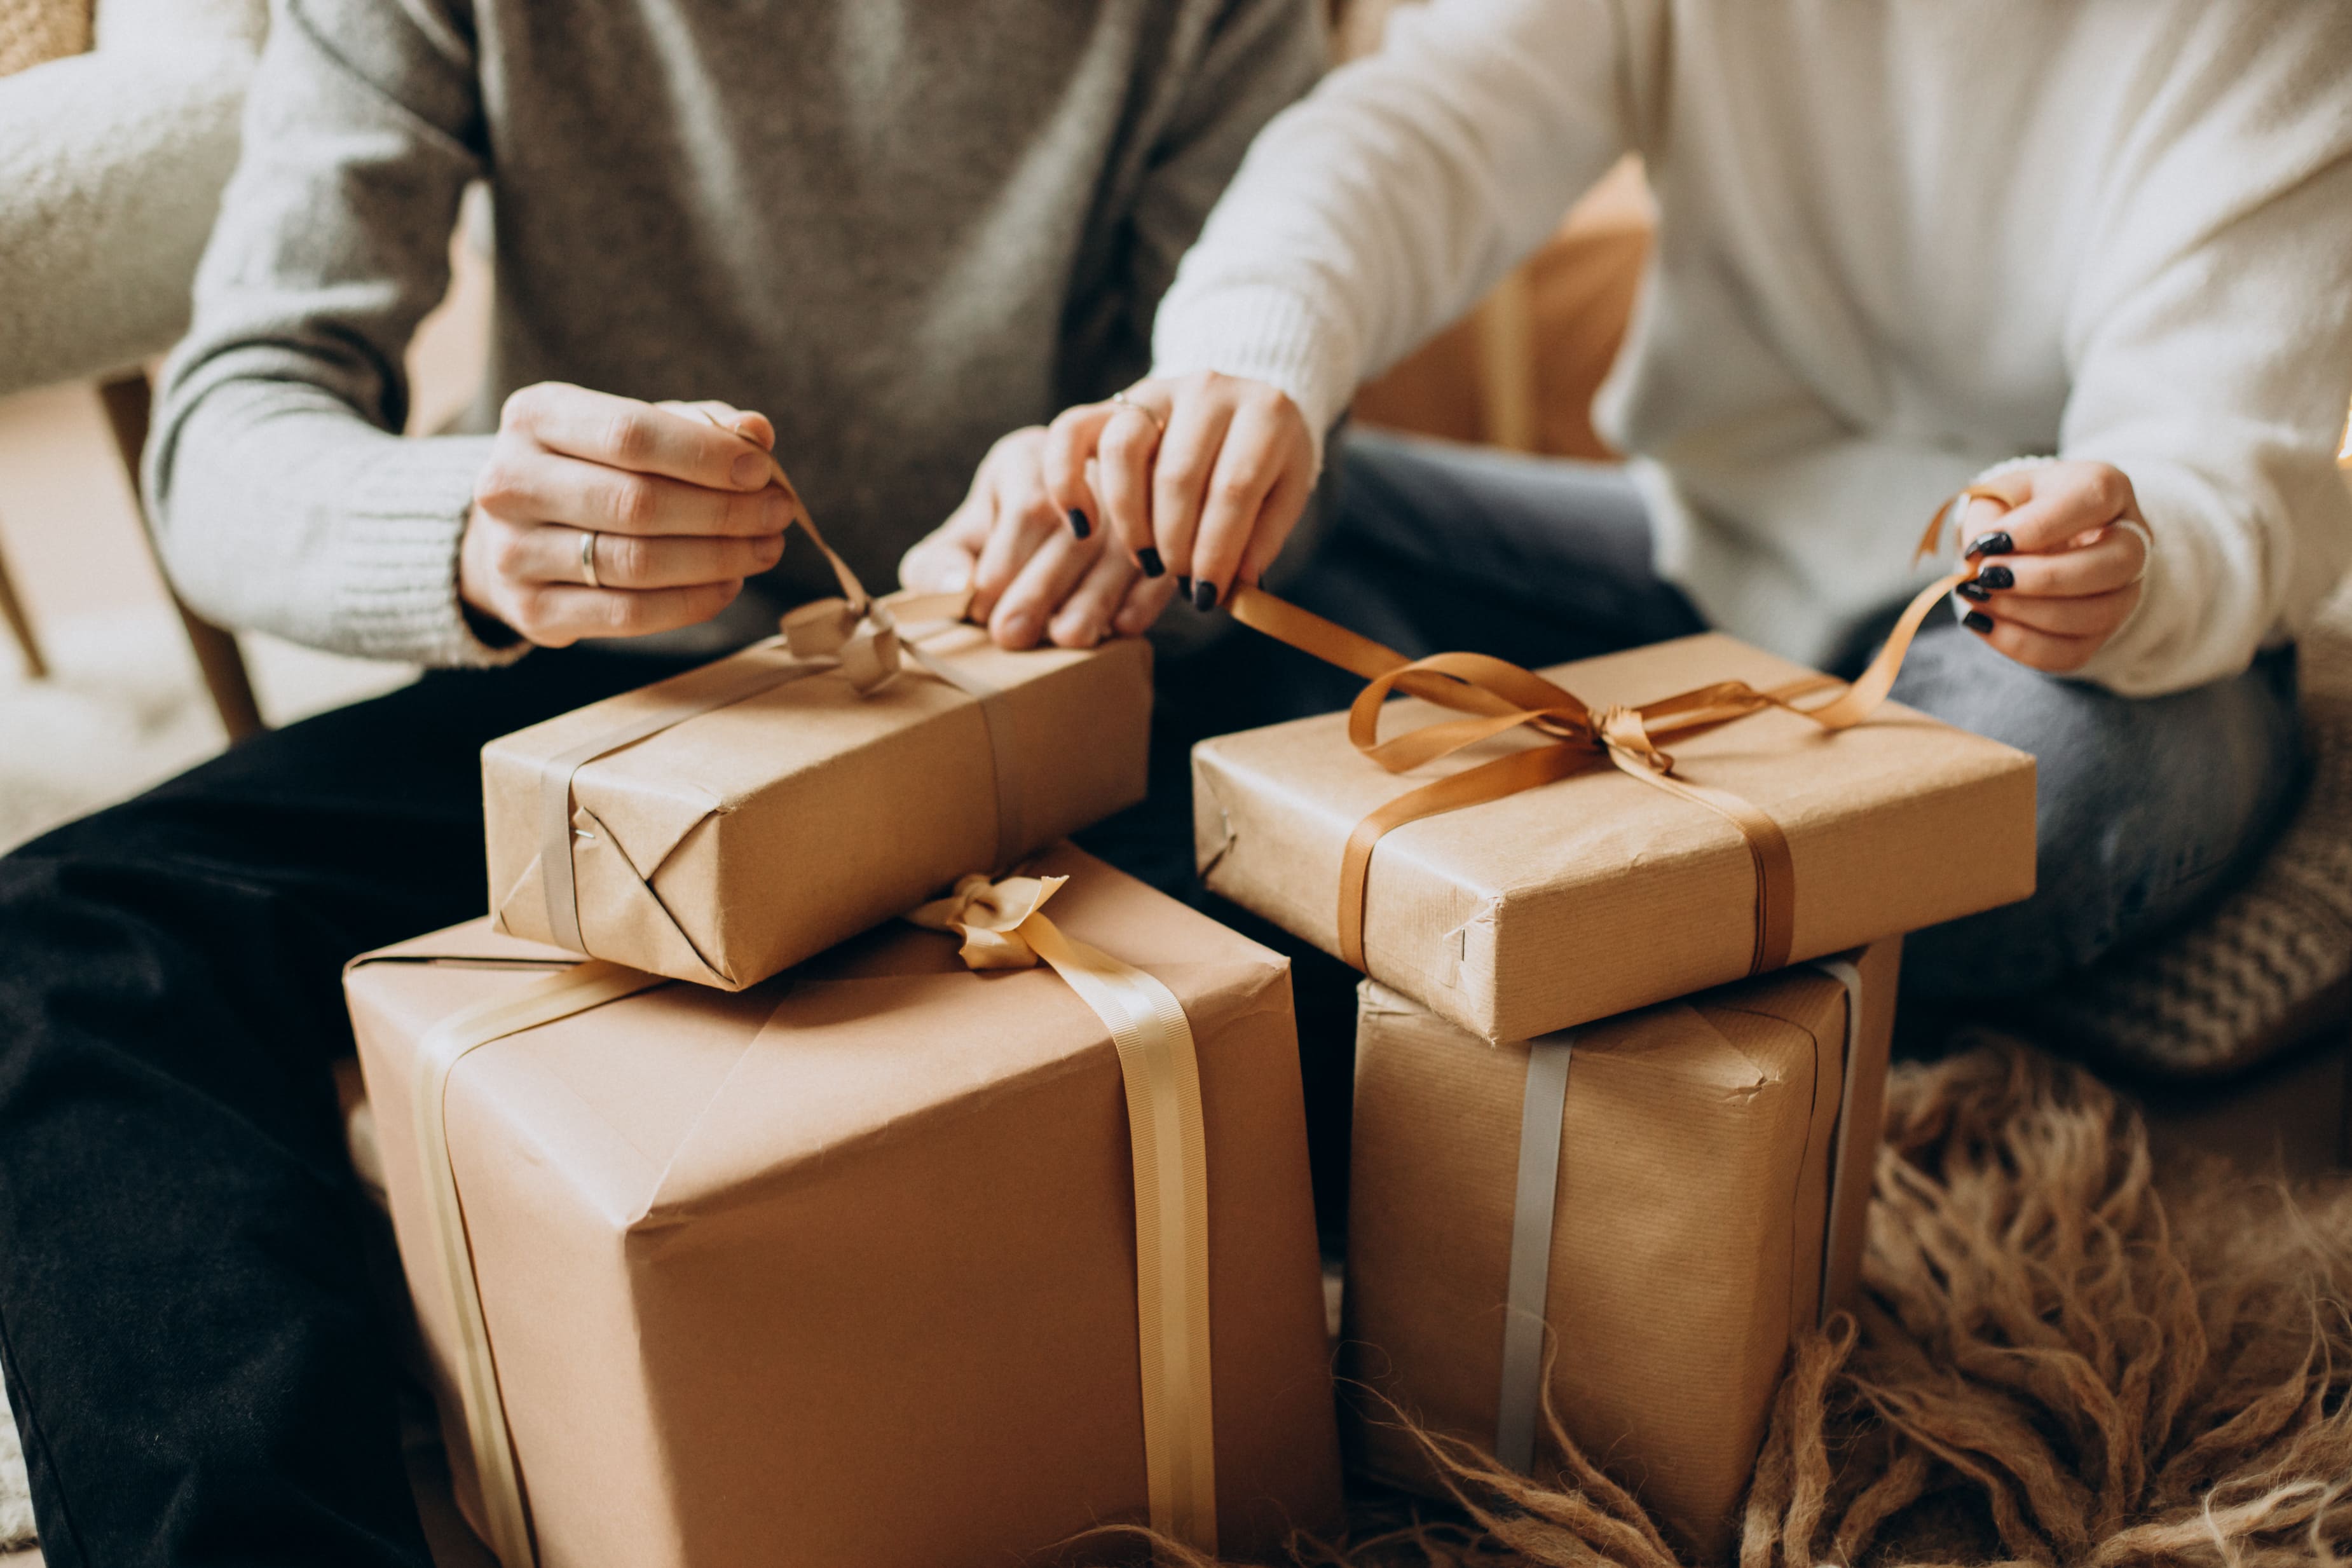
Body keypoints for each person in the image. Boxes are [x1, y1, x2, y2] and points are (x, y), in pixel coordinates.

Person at [0, 1, 1324, 1562]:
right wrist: (472, 537)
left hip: (1048, 684)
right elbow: (228, 427)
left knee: (1414, 967)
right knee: (73, 943)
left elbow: (1253, 371)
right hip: (603, 703)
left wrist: (1150, 499)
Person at [910, 0, 2352, 1000]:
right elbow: (1419, 126)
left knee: (2085, 783)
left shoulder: (2273, 38)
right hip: (1695, 557)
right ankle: (1602, 932)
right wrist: (1245, 368)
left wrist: (2130, 560)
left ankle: (1455, 959)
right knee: (1254, 527)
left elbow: (2227, 472)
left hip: (2050, 662)